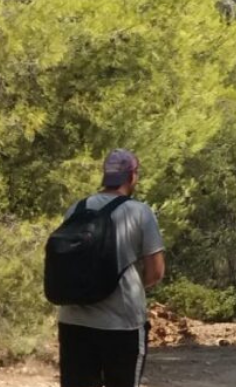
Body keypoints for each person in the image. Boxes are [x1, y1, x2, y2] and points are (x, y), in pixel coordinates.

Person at [58, 149, 166, 387]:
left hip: (73, 321)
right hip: (122, 324)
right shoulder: (140, 212)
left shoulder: (76, 209)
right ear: (132, 176)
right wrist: (130, 286)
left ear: (105, 175)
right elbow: (156, 271)